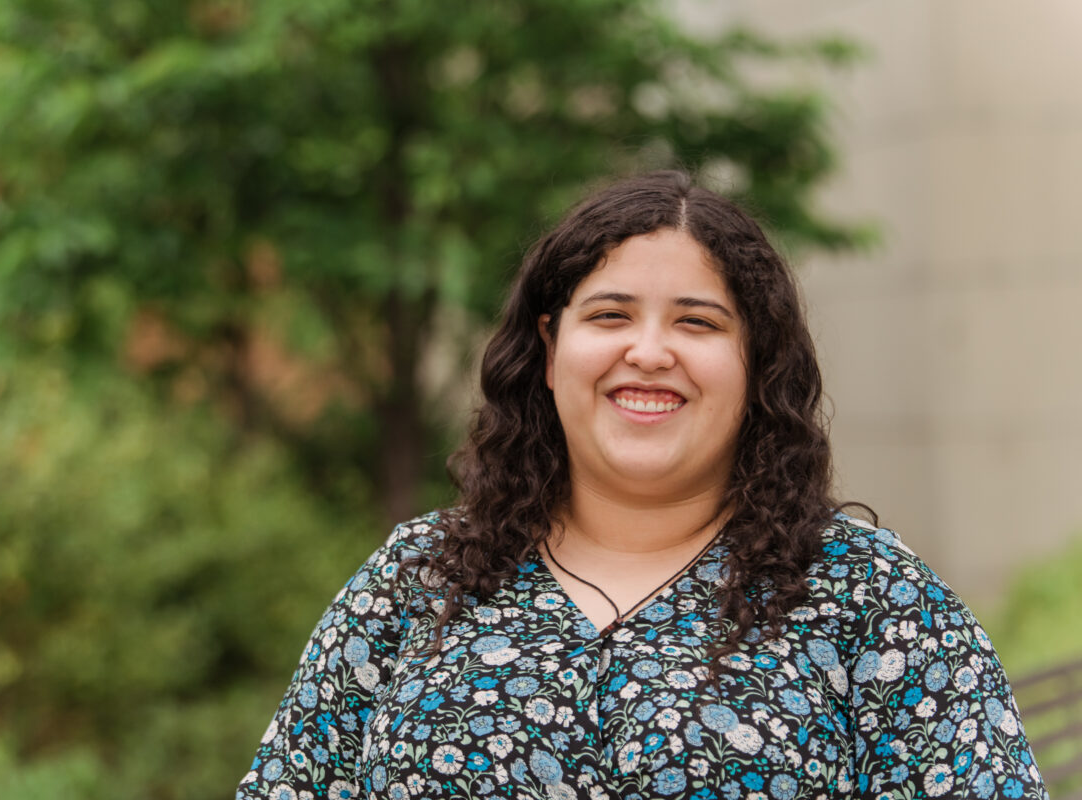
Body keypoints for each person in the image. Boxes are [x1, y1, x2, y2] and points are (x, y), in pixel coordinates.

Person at [236, 171, 1046, 800]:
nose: (650, 352)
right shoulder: (416, 582)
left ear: (756, 363)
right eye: (611, 315)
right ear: (550, 351)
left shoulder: (873, 601)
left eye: (697, 322)